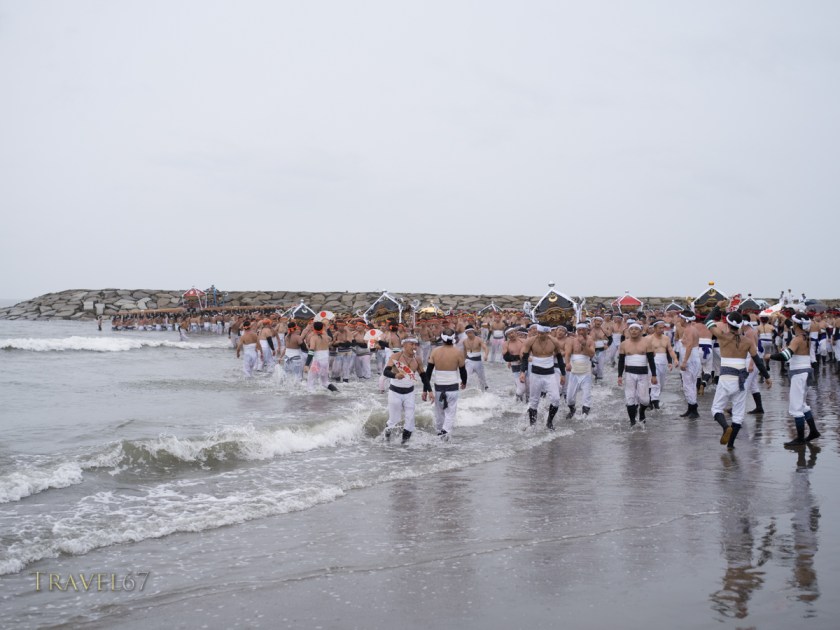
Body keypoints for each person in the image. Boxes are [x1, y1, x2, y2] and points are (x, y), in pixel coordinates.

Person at [704, 303, 772, 448]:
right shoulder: (747, 341)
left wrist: (716, 306)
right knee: (738, 415)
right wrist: (767, 376)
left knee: (716, 409)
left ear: (727, 325)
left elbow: (708, 320)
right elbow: (758, 360)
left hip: (726, 378)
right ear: (740, 325)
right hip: (741, 380)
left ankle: (725, 427)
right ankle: (731, 445)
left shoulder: (722, 336)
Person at [769, 314, 821, 446]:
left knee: (796, 407)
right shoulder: (806, 336)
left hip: (799, 375)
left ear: (797, 325)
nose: (791, 324)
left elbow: (785, 356)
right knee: (802, 404)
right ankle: (813, 431)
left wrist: (770, 356)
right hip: (805, 372)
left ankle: (800, 439)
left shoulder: (797, 339)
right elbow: (795, 352)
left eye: (793, 322)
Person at [382, 338, 429, 444]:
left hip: (409, 393)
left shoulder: (417, 359)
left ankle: (405, 446)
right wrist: (395, 375)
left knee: (410, 421)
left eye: (416, 345)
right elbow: (385, 372)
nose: (414, 347)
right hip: (395, 392)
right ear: (404, 345)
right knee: (394, 420)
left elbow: (424, 376)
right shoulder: (396, 356)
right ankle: (386, 442)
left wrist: (428, 390)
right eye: (411, 344)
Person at [424, 328, 467, 440]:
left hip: (439, 386)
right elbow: (463, 370)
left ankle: (440, 433)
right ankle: (445, 432)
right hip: (452, 386)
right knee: (450, 412)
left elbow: (428, 373)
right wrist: (464, 382)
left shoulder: (435, 351)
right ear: (454, 339)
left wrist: (425, 389)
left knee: (439, 413)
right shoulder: (458, 352)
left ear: (442, 338)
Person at [520, 324, 565, 430]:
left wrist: (563, 374)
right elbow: (525, 358)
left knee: (556, 399)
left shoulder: (554, 341)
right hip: (535, 375)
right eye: (539, 333)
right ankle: (532, 425)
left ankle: (549, 422)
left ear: (548, 333)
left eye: (543, 333)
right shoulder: (530, 341)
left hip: (550, 374)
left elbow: (559, 358)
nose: (540, 335)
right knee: (534, 401)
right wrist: (522, 372)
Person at [617, 322, 658, 426]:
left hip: (643, 374)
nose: (634, 331)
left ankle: (641, 411)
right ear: (629, 331)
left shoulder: (646, 343)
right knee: (630, 398)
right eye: (631, 329)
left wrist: (654, 375)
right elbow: (621, 361)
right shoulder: (624, 344)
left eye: (636, 329)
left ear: (640, 331)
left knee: (645, 400)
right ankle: (632, 422)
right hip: (629, 374)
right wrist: (619, 376)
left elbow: (651, 360)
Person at [564, 323, 594, 419]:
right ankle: (572, 409)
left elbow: (591, 355)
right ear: (576, 330)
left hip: (586, 371)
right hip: (574, 371)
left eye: (583, 330)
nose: (581, 332)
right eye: (579, 330)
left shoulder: (590, 340)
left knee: (586, 394)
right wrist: (567, 363)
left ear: (587, 330)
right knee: (569, 397)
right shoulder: (571, 340)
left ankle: (585, 415)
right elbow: (567, 354)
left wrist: (584, 345)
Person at [647, 320, 677, 409]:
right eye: (660, 328)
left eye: (663, 327)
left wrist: (673, 360)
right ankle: (655, 405)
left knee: (661, 385)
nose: (662, 329)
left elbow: (670, 350)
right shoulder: (648, 339)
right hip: (653, 362)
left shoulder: (666, 338)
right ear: (655, 328)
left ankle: (651, 400)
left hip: (663, 362)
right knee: (655, 383)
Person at [678, 311, 702, 419]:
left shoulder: (689, 330)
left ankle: (693, 408)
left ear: (685, 319)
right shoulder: (692, 329)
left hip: (690, 358)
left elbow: (689, 346)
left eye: (681, 318)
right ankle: (691, 408)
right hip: (693, 357)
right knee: (691, 384)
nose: (679, 320)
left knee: (688, 384)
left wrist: (684, 361)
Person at [304, 321, 339, 392]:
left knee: (310, 382)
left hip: (317, 362)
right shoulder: (326, 337)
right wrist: (327, 329)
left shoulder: (314, 338)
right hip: (325, 361)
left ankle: (311, 400)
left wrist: (307, 364)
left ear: (313, 328)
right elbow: (331, 339)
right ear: (322, 328)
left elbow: (311, 351)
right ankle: (337, 392)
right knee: (325, 382)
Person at [462, 325, 489, 390]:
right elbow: (464, 351)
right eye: (467, 333)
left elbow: (485, 348)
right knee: (466, 377)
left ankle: (484, 392)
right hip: (469, 361)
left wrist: (486, 355)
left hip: (478, 361)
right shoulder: (464, 341)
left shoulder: (479, 339)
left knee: (482, 379)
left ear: (473, 331)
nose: (469, 334)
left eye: (470, 332)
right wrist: (462, 361)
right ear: (466, 333)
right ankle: (466, 392)